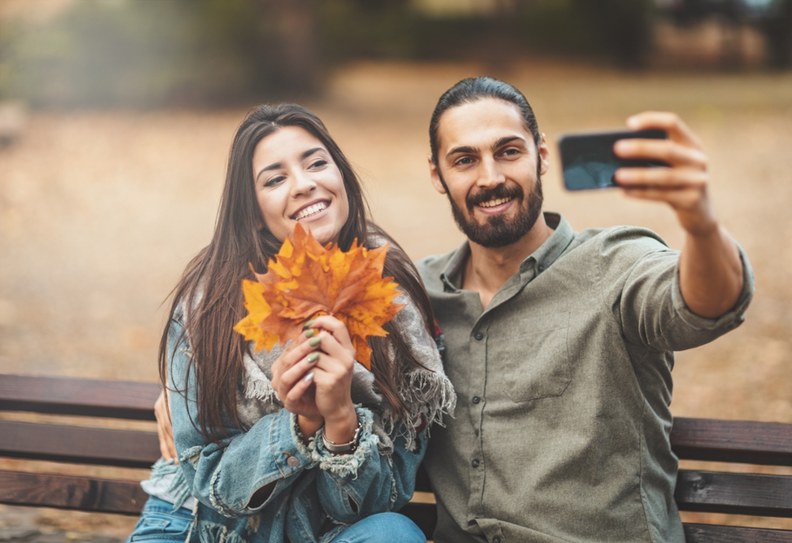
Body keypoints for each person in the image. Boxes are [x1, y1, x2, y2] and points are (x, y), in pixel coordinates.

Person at [417, 76, 754, 542]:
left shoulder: (616, 264)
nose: (490, 177)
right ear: (437, 175)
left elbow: (704, 304)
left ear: (543, 156)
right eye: (465, 160)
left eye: (509, 151)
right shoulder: (417, 294)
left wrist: (701, 223)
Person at [127, 103, 455, 543]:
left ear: (342, 177)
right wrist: (297, 426)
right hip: (203, 528)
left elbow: (382, 497)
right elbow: (209, 480)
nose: (304, 185)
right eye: (275, 179)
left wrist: (339, 416)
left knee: (392, 534)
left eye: (317, 163)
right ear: (253, 210)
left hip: (322, 533)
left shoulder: (395, 299)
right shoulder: (210, 304)